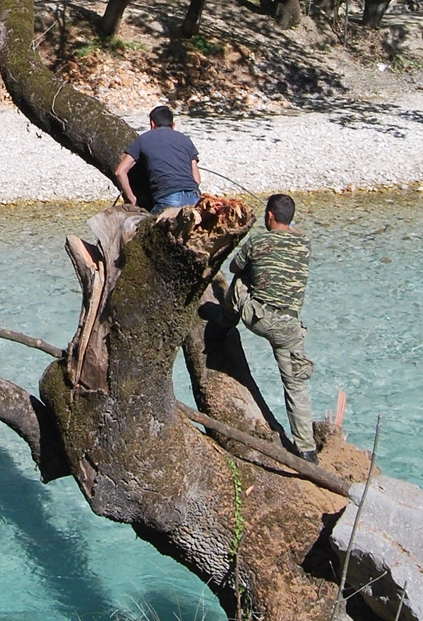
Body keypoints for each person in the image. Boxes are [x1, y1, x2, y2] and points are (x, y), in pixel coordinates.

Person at [222, 192, 317, 462]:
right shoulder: (305, 244)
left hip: (262, 319)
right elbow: (296, 234)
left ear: (269, 216)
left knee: (239, 281)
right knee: (296, 386)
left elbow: (234, 266)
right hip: (291, 327)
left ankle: (223, 324)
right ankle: (306, 449)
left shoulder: (257, 241)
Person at [116, 104, 202, 212]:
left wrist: (131, 199)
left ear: (152, 124)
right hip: (195, 198)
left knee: (144, 227)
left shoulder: (143, 139)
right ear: (173, 125)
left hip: (169, 198)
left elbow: (120, 172)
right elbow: (197, 180)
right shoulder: (186, 140)